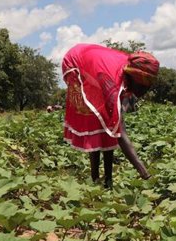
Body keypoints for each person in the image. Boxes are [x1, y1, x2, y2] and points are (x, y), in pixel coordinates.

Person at [62, 43, 159, 188]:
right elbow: (120, 133)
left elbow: (117, 122)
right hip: (76, 62)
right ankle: (95, 178)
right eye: (144, 85)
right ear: (135, 78)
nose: (145, 89)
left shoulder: (132, 68)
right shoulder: (113, 82)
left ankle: (108, 180)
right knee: (96, 120)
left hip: (94, 62)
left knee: (108, 124)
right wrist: (145, 174)